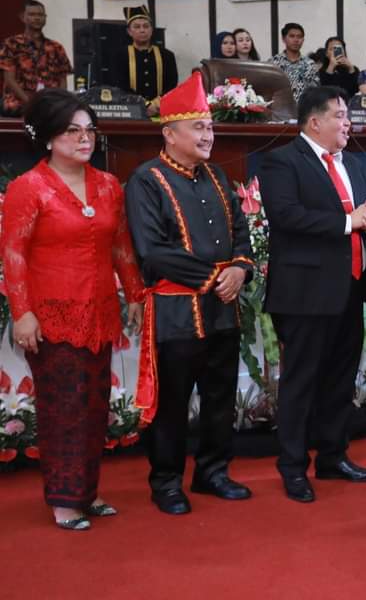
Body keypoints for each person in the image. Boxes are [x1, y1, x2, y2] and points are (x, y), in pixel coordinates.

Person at [0, 90, 144, 530]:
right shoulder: (30, 187)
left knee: (96, 406)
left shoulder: (107, 184)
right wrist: (22, 312)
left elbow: (120, 244)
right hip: (52, 315)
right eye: (72, 132)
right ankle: (64, 501)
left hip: (100, 309)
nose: (84, 139)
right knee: (65, 407)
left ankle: (88, 490)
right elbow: (14, 254)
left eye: (89, 131)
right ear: (47, 139)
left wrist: (135, 294)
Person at [125, 73, 256, 514]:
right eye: (198, 127)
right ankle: (165, 482)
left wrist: (240, 268)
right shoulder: (147, 180)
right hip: (177, 311)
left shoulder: (218, 176)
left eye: (210, 127)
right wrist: (214, 278)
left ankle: (212, 473)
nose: (208, 135)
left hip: (222, 309)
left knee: (220, 396)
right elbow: (153, 250)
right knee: (173, 403)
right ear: (169, 133)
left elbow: (242, 232)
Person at [259, 86, 366, 503]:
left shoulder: (346, 161)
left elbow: (353, 218)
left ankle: (333, 456)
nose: (347, 123)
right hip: (305, 292)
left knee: (339, 378)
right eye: (341, 115)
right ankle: (293, 467)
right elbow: (286, 216)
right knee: (301, 382)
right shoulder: (283, 161)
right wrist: (349, 221)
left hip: (349, 287)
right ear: (315, 122)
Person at [0, 0, 72, 116]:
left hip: (49, 104)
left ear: (45, 18)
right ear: (23, 17)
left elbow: (62, 81)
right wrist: (32, 103)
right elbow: (9, 80)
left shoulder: (56, 47)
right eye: (32, 15)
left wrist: (59, 102)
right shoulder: (11, 44)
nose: (37, 18)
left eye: (40, 15)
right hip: (18, 103)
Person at [109, 5, 178, 113]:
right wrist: (143, 104)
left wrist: (155, 104)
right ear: (129, 31)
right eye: (137, 27)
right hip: (130, 111)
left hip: (160, 110)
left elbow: (172, 85)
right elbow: (120, 86)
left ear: (151, 30)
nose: (142, 30)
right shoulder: (120, 55)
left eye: (146, 26)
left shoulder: (167, 55)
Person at [270, 22, 320, 102]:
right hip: (280, 110)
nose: (296, 40)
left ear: (303, 40)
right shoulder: (273, 62)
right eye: (292, 36)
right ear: (283, 39)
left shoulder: (310, 64)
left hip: (303, 110)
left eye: (299, 37)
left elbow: (315, 91)